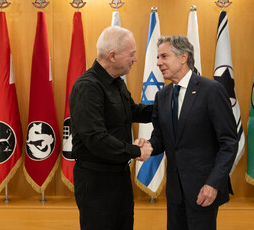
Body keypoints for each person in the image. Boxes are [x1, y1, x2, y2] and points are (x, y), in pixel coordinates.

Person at [138, 35, 238, 230]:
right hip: (175, 192)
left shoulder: (211, 90)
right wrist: (149, 146)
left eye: (164, 56)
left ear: (183, 57)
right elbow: (161, 137)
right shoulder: (163, 96)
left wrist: (213, 184)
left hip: (204, 189)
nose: (158, 63)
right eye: (158, 58)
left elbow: (229, 143)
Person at [69, 26, 153, 230]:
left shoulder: (117, 82)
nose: (135, 59)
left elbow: (131, 111)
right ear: (112, 55)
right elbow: (96, 138)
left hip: (119, 176)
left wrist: (167, 108)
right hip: (96, 181)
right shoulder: (87, 87)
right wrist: (136, 151)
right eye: (131, 54)